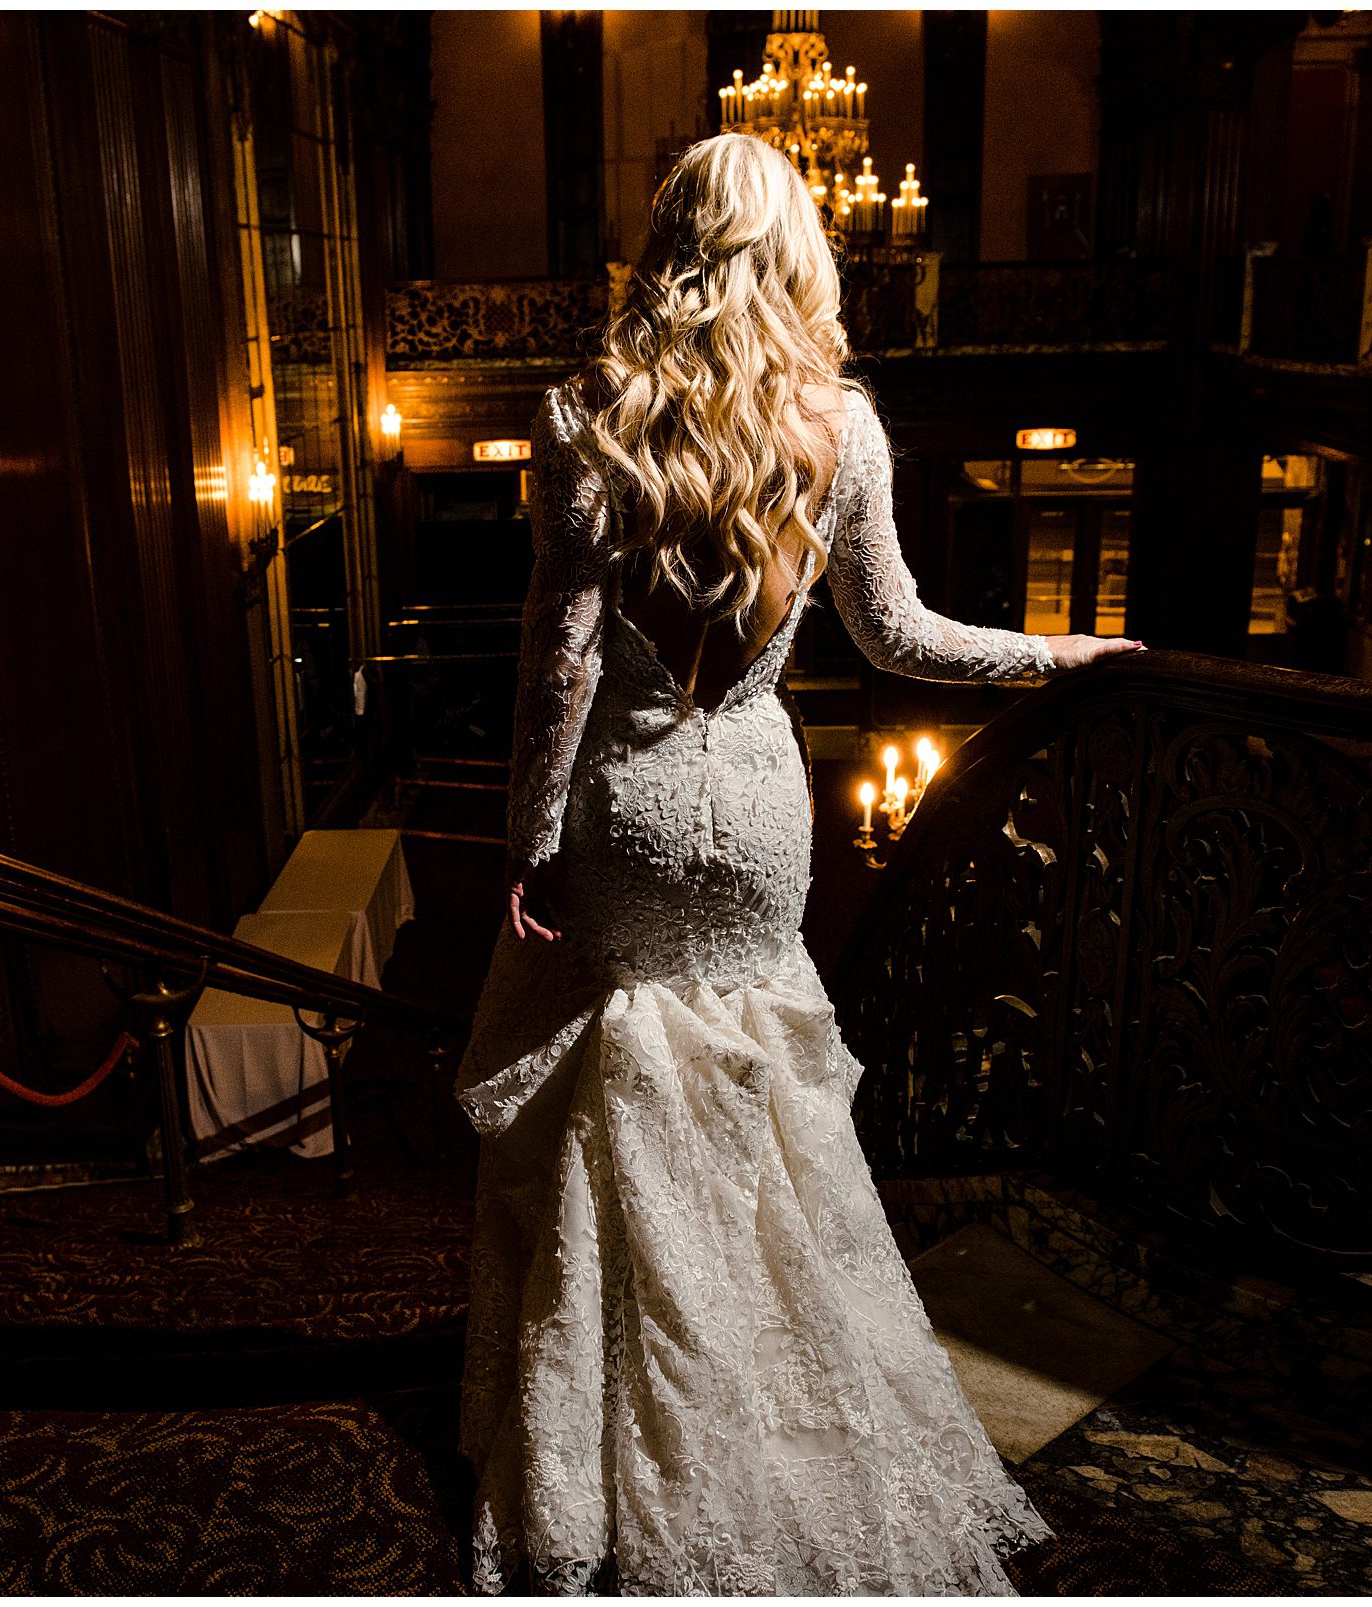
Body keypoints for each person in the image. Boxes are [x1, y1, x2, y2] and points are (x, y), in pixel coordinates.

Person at [452, 133, 1145, 1596]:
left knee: (631, 1101)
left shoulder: (590, 417)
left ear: (673, 244)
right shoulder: (845, 426)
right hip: (762, 803)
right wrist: (1065, 656)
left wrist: (530, 840)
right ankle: (795, 1395)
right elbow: (902, 638)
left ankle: (641, 1412)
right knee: (764, 1111)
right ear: (797, 252)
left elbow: (559, 669)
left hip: (632, 803)